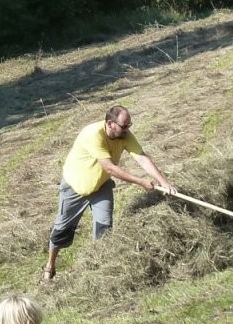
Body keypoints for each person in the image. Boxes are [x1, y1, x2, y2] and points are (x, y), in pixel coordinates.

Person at [43, 105, 176, 280]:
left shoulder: (124, 135)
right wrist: (141, 181)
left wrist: (164, 182)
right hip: (75, 186)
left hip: (101, 186)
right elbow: (110, 168)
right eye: (124, 126)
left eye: (130, 125)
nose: (128, 129)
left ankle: (98, 270)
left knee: (104, 227)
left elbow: (142, 158)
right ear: (110, 123)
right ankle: (50, 267)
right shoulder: (93, 134)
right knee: (63, 230)